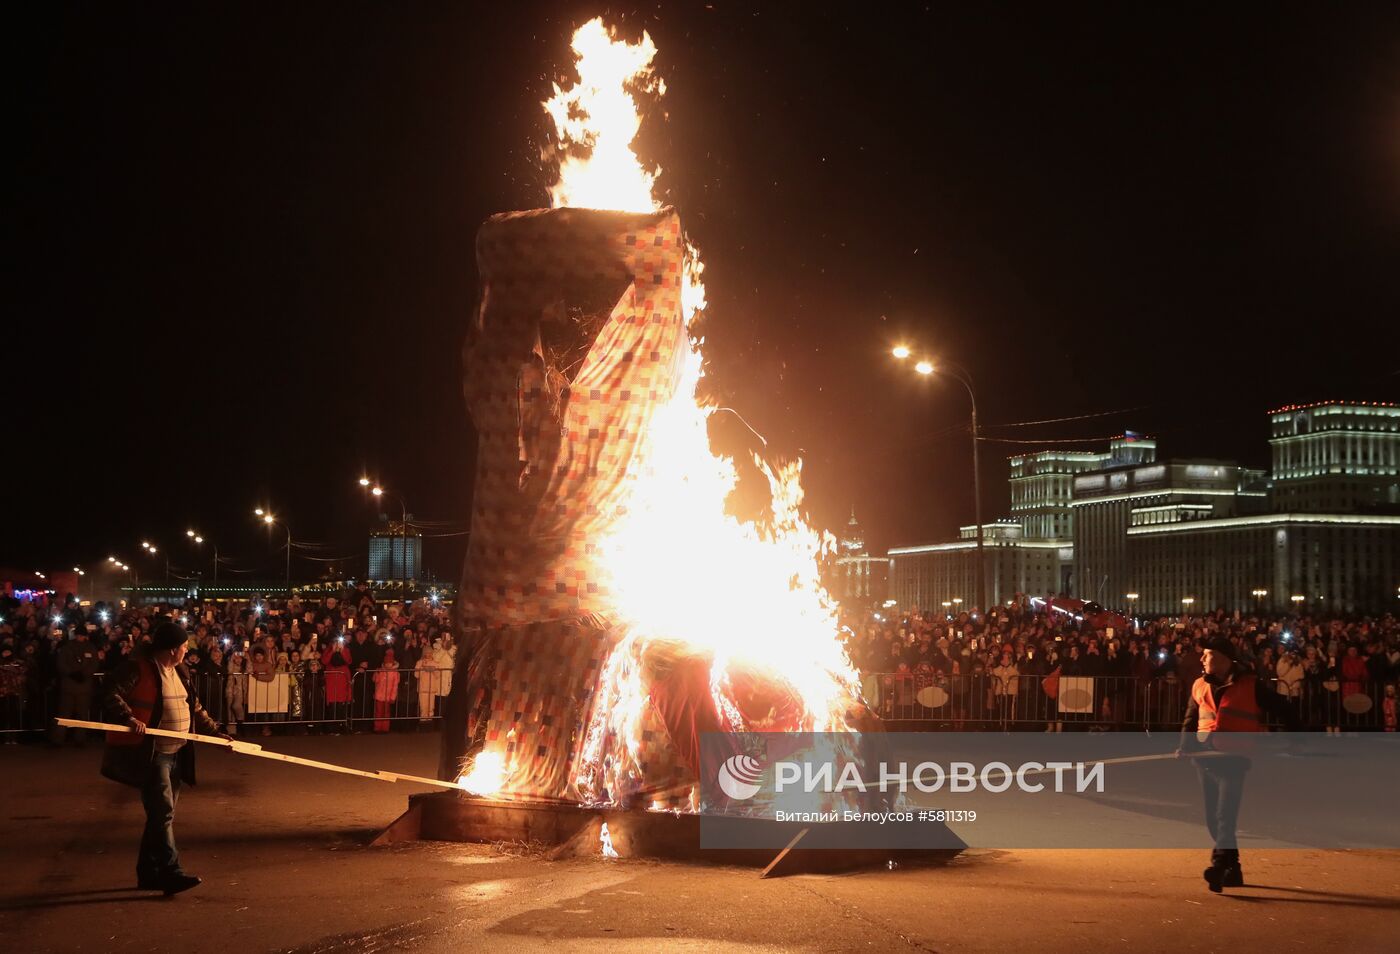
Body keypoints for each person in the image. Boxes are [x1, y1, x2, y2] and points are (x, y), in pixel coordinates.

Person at [101, 620, 229, 896]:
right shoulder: (137, 669)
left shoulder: (180, 671)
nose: (186, 650)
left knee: (160, 817)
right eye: (184, 646)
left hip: (177, 752)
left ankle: (148, 873)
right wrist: (128, 717)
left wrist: (217, 735)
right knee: (162, 813)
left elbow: (195, 708)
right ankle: (171, 872)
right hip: (153, 753)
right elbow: (109, 691)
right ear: (172, 649)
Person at [1176, 638, 1300, 893]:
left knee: (1225, 816)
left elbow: (1284, 708)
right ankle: (1233, 869)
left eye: (1207, 654)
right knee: (1213, 819)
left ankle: (1219, 865)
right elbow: (1191, 719)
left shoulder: (1250, 685)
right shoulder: (1199, 685)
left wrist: (1296, 739)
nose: (1202, 659)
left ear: (1222, 657)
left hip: (1233, 760)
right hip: (1205, 760)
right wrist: (1184, 746)